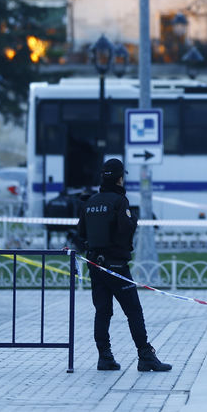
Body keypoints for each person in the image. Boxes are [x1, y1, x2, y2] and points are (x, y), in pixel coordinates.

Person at [77, 158, 171, 372]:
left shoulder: (89, 202)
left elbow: (80, 234)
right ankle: (145, 355)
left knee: (102, 311)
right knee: (134, 311)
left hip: (95, 266)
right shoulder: (120, 201)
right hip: (117, 266)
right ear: (120, 178)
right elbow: (125, 229)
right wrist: (133, 220)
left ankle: (104, 356)